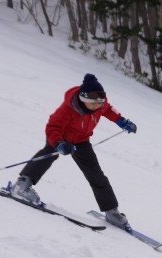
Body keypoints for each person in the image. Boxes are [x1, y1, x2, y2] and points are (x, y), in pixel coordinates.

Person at [11, 73, 138, 229]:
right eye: (93, 104)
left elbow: (109, 110)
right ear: (84, 100)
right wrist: (59, 144)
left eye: (99, 104)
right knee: (47, 155)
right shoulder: (69, 108)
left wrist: (122, 121)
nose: (97, 107)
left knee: (96, 174)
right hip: (60, 138)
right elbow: (53, 127)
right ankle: (22, 184)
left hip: (81, 141)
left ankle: (111, 211)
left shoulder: (99, 103)